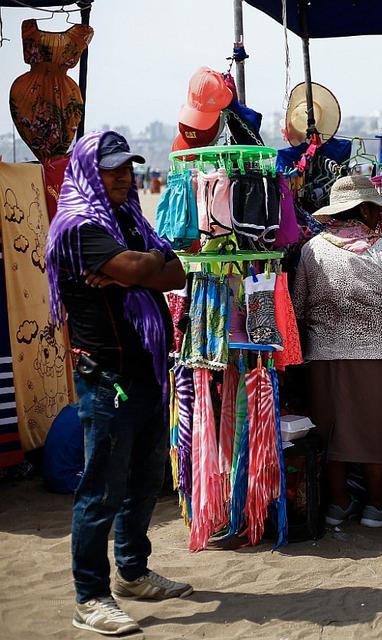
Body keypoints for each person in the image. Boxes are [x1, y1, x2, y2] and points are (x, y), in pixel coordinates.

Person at [45, 131, 190, 636]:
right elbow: (146, 264)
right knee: (100, 491)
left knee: (145, 478)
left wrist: (141, 271)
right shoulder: (79, 228)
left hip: (144, 370)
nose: (125, 177)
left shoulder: (127, 220)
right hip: (106, 378)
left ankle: (132, 572)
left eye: (128, 167)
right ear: (89, 172)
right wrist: (141, 268)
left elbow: (175, 274)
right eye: (113, 169)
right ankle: (90, 597)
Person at [293, 175, 382, 529]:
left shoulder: (312, 249)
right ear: (363, 210)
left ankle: (339, 505)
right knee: (371, 429)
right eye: (375, 208)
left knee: (330, 430)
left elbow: (298, 307)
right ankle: (376, 505)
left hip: (322, 354)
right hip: (373, 354)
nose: (379, 214)